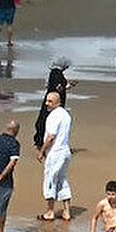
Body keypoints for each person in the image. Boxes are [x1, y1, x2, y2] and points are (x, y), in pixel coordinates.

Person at [36, 91, 73, 221]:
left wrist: (41, 151)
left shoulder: (53, 116)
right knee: (62, 180)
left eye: (50, 101)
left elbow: (51, 136)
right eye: (46, 100)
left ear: (58, 102)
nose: (47, 103)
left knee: (50, 180)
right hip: (65, 151)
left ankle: (50, 211)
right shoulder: (66, 114)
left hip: (55, 152)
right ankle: (66, 211)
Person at [33, 56, 76, 151]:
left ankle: (41, 142)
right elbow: (58, 88)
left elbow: (52, 86)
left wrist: (67, 85)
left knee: (45, 120)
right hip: (54, 102)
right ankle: (43, 144)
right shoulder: (57, 73)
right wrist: (66, 86)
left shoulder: (54, 72)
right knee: (50, 121)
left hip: (50, 100)